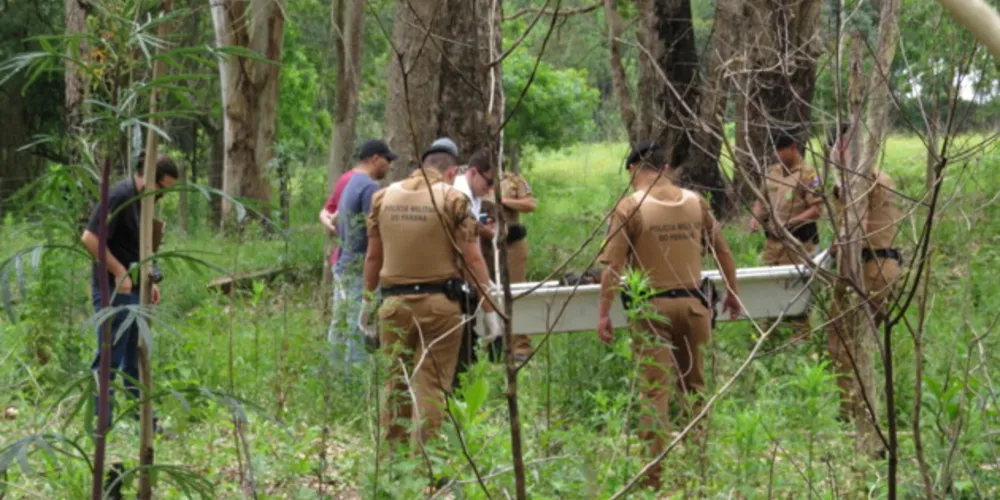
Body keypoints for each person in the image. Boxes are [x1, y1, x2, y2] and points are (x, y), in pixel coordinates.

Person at [597, 142, 741, 490]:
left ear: (634, 170)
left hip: (652, 311)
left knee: (654, 393)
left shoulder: (630, 207)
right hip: (695, 307)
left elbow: (612, 268)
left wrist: (604, 312)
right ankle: (700, 469)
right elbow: (722, 250)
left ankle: (654, 480)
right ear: (665, 168)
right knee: (695, 389)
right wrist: (733, 294)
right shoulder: (696, 203)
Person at [359, 137, 502, 466]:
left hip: (393, 306)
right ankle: (425, 470)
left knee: (396, 383)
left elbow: (372, 258)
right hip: (439, 306)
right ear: (452, 171)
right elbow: (473, 260)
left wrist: (367, 303)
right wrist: (488, 307)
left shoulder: (383, 197)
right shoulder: (453, 198)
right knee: (432, 387)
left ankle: (390, 466)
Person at [80, 153, 179, 428]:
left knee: (135, 358)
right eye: (161, 188)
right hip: (113, 290)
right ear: (147, 176)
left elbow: (139, 244)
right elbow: (90, 238)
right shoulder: (121, 195)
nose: (163, 195)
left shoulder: (144, 204)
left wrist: (151, 280)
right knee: (109, 356)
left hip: (135, 291)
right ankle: (102, 424)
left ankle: (144, 420)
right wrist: (117, 271)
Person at [825, 125, 904, 420]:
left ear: (842, 149)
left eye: (834, 152)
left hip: (867, 268)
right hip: (884, 265)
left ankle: (853, 412)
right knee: (861, 339)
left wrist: (840, 265)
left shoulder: (859, 181)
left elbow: (856, 230)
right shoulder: (877, 175)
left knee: (842, 338)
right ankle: (868, 407)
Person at [328, 139, 397, 367]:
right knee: (360, 325)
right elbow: (373, 234)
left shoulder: (351, 181)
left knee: (342, 323)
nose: (388, 166)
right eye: (387, 160)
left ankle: (335, 371)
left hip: (344, 263)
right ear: (375, 158)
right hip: (359, 267)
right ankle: (354, 381)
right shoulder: (369, 187)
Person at [748, 130, 823, 341]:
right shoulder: (772, 172)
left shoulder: (809, 175)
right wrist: (756, 217)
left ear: (793, 148)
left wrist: (791, 222)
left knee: (796, 290)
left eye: (782, 150)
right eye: (775, 150)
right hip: (773, 245)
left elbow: (817, 209)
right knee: (768, 286)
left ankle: (799, 339)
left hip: (798, 245)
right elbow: (761, 199)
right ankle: (769, 336)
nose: (778, 155)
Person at [490, 163, 536, 362]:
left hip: (512, 245)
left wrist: (503, 200)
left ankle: (521, 346)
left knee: (516, 292)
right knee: (488, 293)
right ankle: (492, 343)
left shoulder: (513, 180)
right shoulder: (469, 178)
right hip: (485, 247)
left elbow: (530, 204)